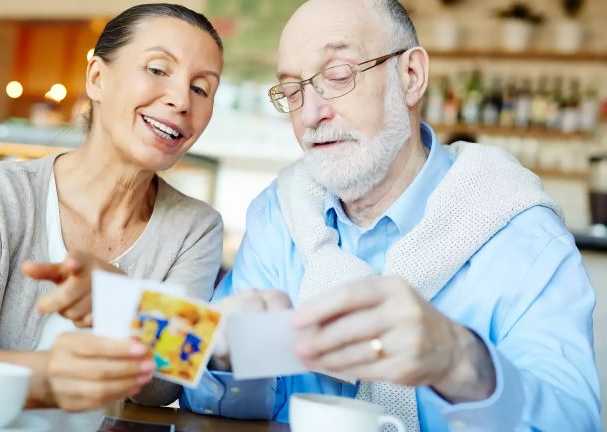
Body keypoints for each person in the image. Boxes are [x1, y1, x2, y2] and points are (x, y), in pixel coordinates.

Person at [180, 0, 601, 430]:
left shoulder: (520, 232)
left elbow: (574, 421)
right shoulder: (278, 214)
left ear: (411, 77)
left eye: (338, 75)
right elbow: (206, 397)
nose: (309, 115)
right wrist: (225, 356)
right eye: (292, 91)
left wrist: (461, 361)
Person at [0, 3, 224, 412]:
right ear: (98, 78)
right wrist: (42, 376)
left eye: (202, 88)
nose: (180, 100)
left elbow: (163, 387)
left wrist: (119, 300)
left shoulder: (197, 228)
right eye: (158, 70)